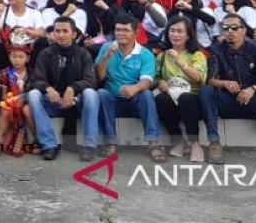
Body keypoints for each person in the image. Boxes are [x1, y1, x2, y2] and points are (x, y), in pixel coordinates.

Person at [201, 12, 256, 166]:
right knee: (206, 91)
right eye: (226, 28)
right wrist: (224, 83)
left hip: (252, 102)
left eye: (235, 28)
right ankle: (214, 142)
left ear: (244, 30)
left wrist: (252, 89)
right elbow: (211, 79)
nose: (230, 32)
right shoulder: (217, 49)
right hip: (228, 101)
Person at [25, 16, 100, 161]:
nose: (60, 35)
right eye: (57, 31)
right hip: (54, 101)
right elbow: (35, 80)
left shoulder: (83, 53)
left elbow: (91, 80)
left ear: (73, 34)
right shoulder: (46, 53)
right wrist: (48, 88)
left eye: (65, 31)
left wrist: (73, 88)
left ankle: (89, 146)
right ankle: (49, 145)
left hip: (76, 101)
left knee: (91, 94)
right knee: (33, 95)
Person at [94, 16, 164, 162]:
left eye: (126, 30)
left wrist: (134, 88)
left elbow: (147, 81)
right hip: (114, 99)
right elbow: (100, 77)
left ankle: (153, 143)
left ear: (135, 33)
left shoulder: (145, 54)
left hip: (135, 100)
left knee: (146, 94)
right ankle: (111, 142)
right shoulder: (107, 47)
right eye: (118, 30)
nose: (121, 33)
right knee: (101, 94)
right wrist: (107, 57)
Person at [153, 16, 207, 162]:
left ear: (188, 35)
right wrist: (160, 83)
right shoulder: (162, 56)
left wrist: (179, 61)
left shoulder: (197, 55)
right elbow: (155, 78)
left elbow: (199, 77)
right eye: (172, 31)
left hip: (191, 100)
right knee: (161, 98)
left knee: (185, 98)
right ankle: (178, 141)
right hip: (171, 97)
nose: (175, 35)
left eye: (180, 31)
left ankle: (194, 142)